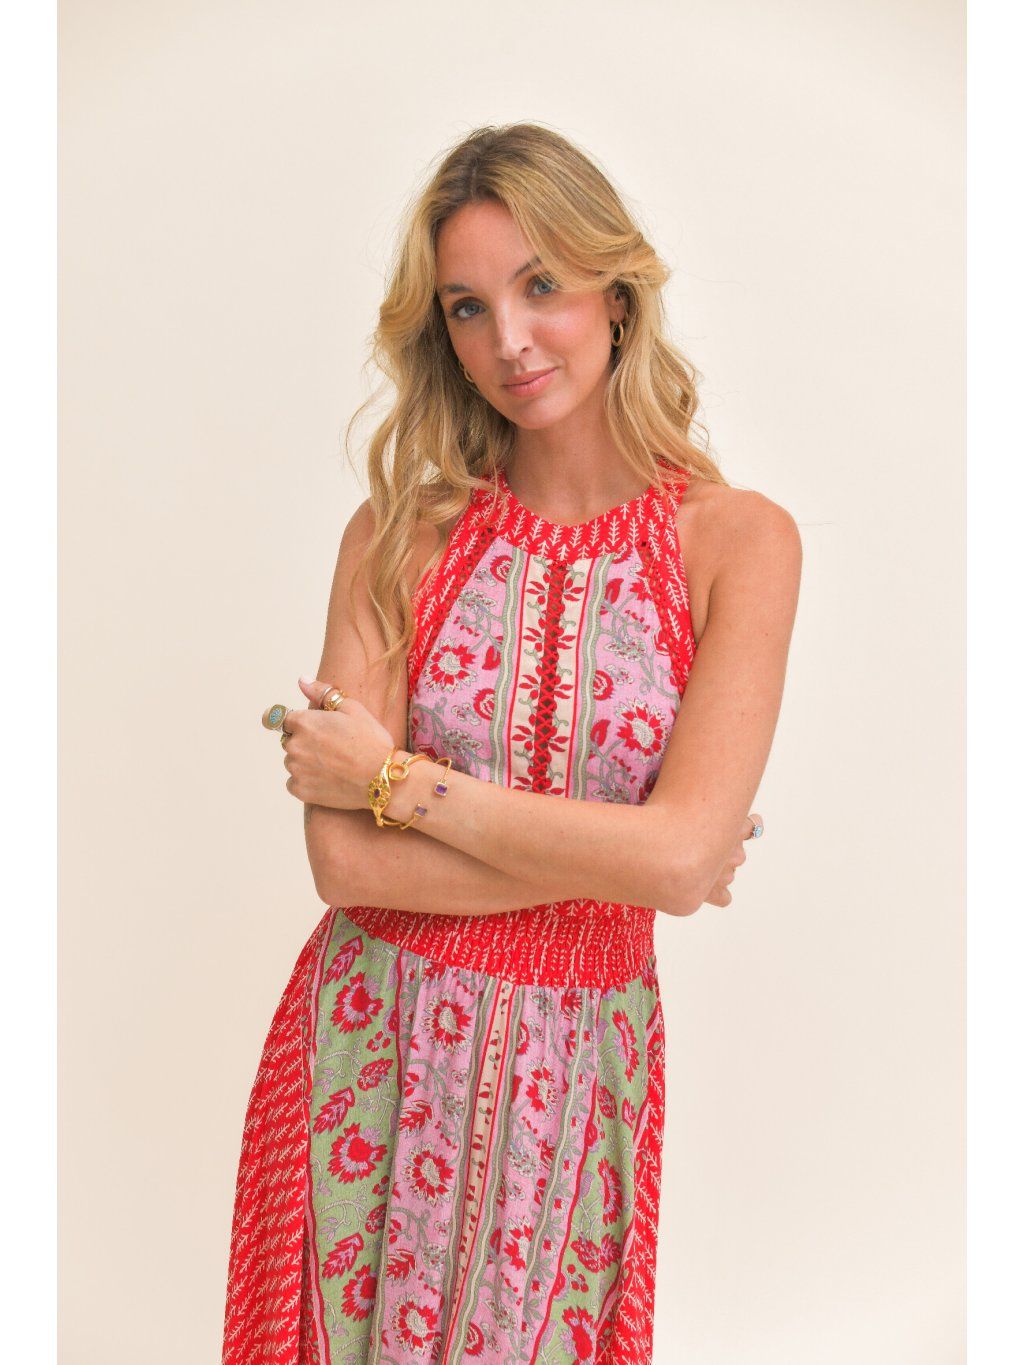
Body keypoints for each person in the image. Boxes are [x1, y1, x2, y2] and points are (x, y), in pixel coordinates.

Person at [223, 122, 801, 1365]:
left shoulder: (737, 545)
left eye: (542, 285)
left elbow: (676, 860)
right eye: (468, 308)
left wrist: (390, 780)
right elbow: (347, 867)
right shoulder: (398, 535)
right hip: (368, 1047)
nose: (510, 341)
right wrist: (630, 856)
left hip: (579, 1069)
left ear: (616, 292)